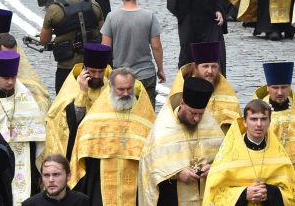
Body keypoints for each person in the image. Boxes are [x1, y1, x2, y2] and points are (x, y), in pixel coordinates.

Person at [69, 67, 155, 205]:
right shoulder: (96, 116)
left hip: (135, 183)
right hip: (101, 180)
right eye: (121, 89)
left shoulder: (144, 114)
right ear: (110, 87)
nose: (126, 93)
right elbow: (81, 142)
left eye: (129, 88)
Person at [0, 51, 47, 205]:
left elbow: (36, 134)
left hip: (22, 155)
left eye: (13, 77)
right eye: (6, 78)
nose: (10, 82)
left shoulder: (25, 98)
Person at [137, 77, 223, 206]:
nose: (196, 118)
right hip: (171, 197)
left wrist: (213, 168)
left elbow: (226, 159)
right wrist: (176, 173)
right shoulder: (163, 128)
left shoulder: (211, 126)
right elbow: (150, 168)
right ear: (182, 104)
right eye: (193, 113)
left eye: (200, 114)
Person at [201, 99, 295, 206]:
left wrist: (270, 192)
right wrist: (244, 194)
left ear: (269, 121)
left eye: (263, 119)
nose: (259, 124)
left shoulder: (279, 156)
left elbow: (292, 195)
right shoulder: (229, 154)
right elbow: (214, 193)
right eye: (254, 119)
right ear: (245, 122)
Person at [252, 62, 295, 193]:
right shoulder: (257, 110)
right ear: (267, 88)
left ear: (289, 88)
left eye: (284, 87)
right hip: (269, 170)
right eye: (275, 87)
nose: (279, 92)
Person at [38, 0, 105, 93]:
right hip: (91, 67)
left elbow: (43, 40)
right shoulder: (94, 4)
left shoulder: (54, 10)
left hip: (67, 67)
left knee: (64, 105)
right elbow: (104, 33)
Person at [44, 43, 112, 162]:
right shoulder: (72, 84)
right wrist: (82, 93)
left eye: (101, 72)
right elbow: (65, 120)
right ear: (84, 69)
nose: (97, 76)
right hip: (76, 145)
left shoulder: (109, 86)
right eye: (93, 71)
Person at [100, 0, 165, 102]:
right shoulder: (149, 16)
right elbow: (156, 47)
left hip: (120, 77)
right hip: (146, 74)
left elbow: (105, 48)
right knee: (147, 114)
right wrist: (160, 69)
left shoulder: (111, 17)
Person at [20, 154, 87, 206]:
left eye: (56, 174)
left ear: (68, 176)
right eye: (46, 175)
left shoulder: (83, 201)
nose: (51, 180)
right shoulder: (29, 204)